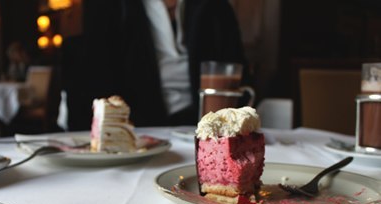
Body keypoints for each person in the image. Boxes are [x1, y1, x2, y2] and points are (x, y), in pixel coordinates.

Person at [61, 0, 250, 130]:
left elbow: (239, 78)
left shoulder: (216, 7)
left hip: (204, 130)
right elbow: (94, 78)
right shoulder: (111, 7)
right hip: (139, 128)